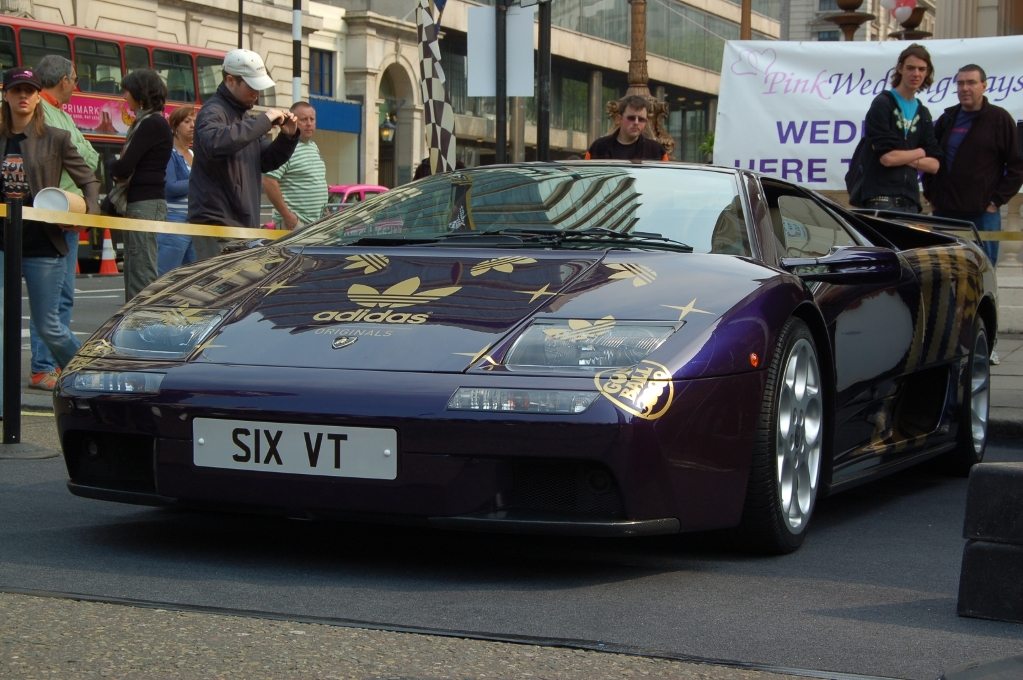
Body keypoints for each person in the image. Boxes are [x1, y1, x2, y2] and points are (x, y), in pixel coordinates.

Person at [0, 67, 99, 410]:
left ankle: (91, 379)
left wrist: (87, 214)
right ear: (6, 95)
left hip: (42, 242)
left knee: (49, 325)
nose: (23, 96)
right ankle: (2, 406)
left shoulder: (55, 137)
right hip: (3, 242)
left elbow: (89, 179)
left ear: (38, 96)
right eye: (16, 91)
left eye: (29, 90)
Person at [29, 55, 100, 391]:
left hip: (68, 217)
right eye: (74, 79)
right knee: (52, 302)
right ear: (63, 80)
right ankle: (47, 368)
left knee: (61, 299)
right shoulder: (43, 114)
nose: (76, 86)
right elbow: (85, 154)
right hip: (52, 217)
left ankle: (55, 366)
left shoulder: (60, 113)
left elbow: (88, 154)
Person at [189, 48, 299, 242]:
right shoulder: (213, 111)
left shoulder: (244, 117)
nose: (256, 93)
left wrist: (287, 137)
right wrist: (263, 121)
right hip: (217, 223)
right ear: (230, 81)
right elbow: (214, 143)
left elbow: (266, 160)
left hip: (240, 222)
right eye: (251, 86)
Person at [924, 64, 1023, 266]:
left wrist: (995, 202)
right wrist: (931, 195)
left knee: (982, 275)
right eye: (960, 83)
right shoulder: (947, 119)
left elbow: (1017, 166)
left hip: (983, 215)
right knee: (944, 275)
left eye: (971, 82)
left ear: (984, 86)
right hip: (945, 213)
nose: (965, 88)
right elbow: (930, 159)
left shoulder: (999, 119)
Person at [110, 68, 172, 301]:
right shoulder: (150, 123)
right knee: (135, 267)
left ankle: (142, 327)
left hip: (144, 205)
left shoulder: (151, 124)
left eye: (127, 91)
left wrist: (111, 164)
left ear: (140, 93)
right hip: (145, 204)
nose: (124, 97)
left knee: (141, 272)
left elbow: (124, 166)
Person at [859, 43, 941, 214]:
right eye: (911, 68)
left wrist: (900, 156)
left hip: (910, 200)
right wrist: (919, 152)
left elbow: (934, 165)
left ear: (927, 72)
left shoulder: (923, 112)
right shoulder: (883, 103)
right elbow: (887, 159)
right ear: (900, 69)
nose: (916, 74)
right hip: (880, 199)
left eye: (921, 69)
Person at [261, 101, 327, 230]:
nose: (309, 123)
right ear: (294, 120)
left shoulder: (313, 147)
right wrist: (287, 216)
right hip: (296, 224)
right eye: (303, 119)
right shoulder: (286, 148)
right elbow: (269, 181)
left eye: (312, 119)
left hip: (316, 224)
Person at [159, 105, 198, 275]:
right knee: (166, 278)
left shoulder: (194, 154)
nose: (192, 126)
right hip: (174, 222)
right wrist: (199, 181)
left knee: (192, 279)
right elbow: (171, 187)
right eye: (187, 121)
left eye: (194, 122)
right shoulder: (170, 153)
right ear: (175, 127)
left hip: (194, 223)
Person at [584, 95, 669, 161]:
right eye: (631, 118)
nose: (636, 122)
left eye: (641, 119)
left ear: (646, 122)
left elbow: (666, 180)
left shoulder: (657, 151)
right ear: (619, 119)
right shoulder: (598, 147)